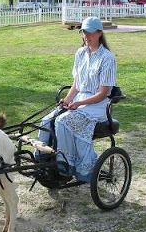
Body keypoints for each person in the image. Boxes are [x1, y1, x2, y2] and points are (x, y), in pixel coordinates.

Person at [37, 16, 117, 182]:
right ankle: (43, 157)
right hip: (79, 101)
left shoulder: (107, 58)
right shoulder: (80, 53)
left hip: (97, 105)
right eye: (84, 33)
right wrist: (67, 100)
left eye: (90, 33)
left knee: (62, 121)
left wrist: (80, 103)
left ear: (100, 33)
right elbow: (77, 84)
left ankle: (66, 163)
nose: (86, 36)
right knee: (46, 120)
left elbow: (103, 93)